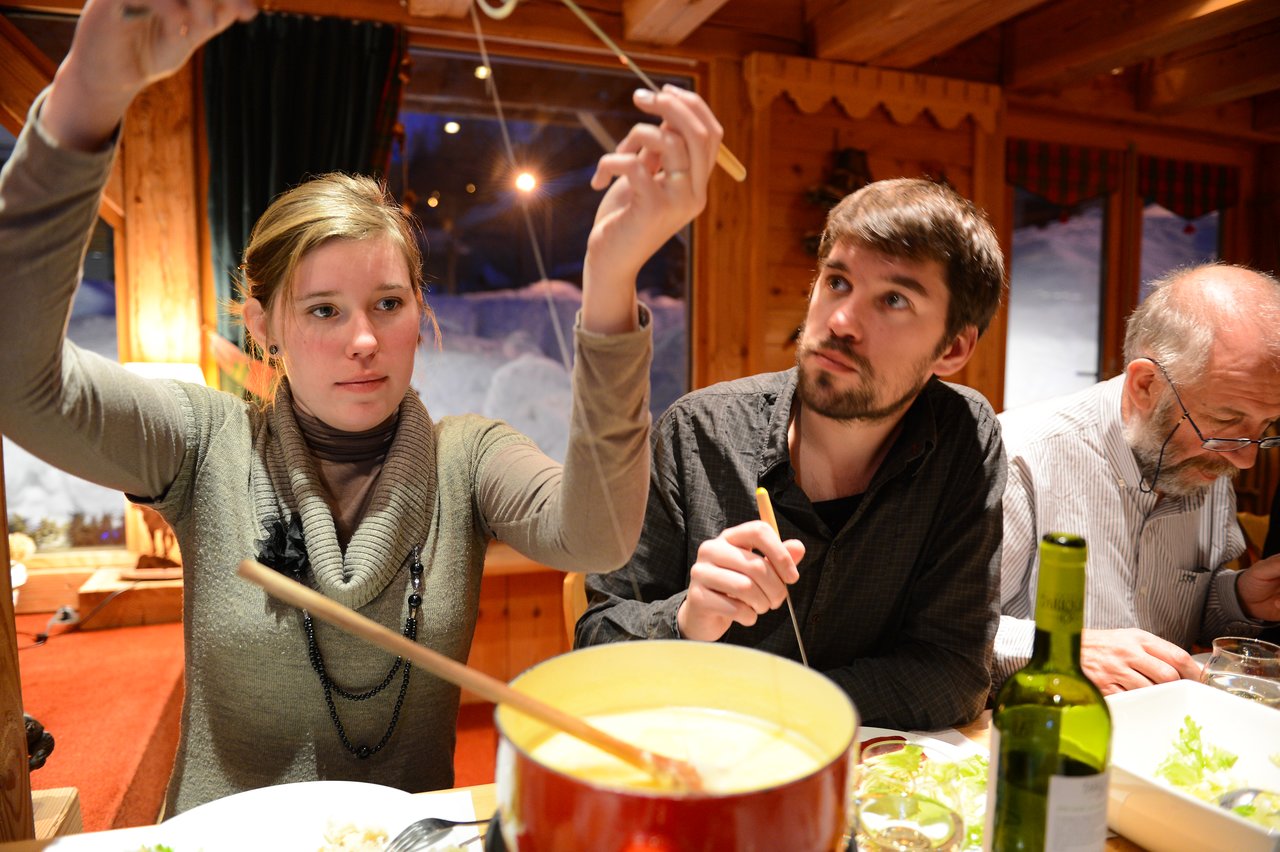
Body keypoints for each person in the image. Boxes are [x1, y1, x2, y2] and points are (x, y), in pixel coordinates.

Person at [0, 0, 723, 814]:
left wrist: (611, 281)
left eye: (387, 303)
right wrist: (82, 103)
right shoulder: (203, 443)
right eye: (321, 311)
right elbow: (19, 383)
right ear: (264, 326)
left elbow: (595, 535)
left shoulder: (468, 456)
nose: (363, 340)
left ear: (422, 311)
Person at [575, 178, 1007, 731]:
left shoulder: (965, 438)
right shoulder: (699, 432)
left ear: (952, 348)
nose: (841, 321)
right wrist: (686, 619)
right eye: (837, 281)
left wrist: (770, 705)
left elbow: (952, 672)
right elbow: (595, 641)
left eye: (894, 299)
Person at [994, 263, 1280, 694]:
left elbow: (1180, 612)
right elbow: (940, 632)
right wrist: (1062, 649)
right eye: (1226, 420)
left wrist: (1239, 597)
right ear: (1145, 385)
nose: (1243, 460)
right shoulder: (1019, 455)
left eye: (1267, 427)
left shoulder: (1211, 454)